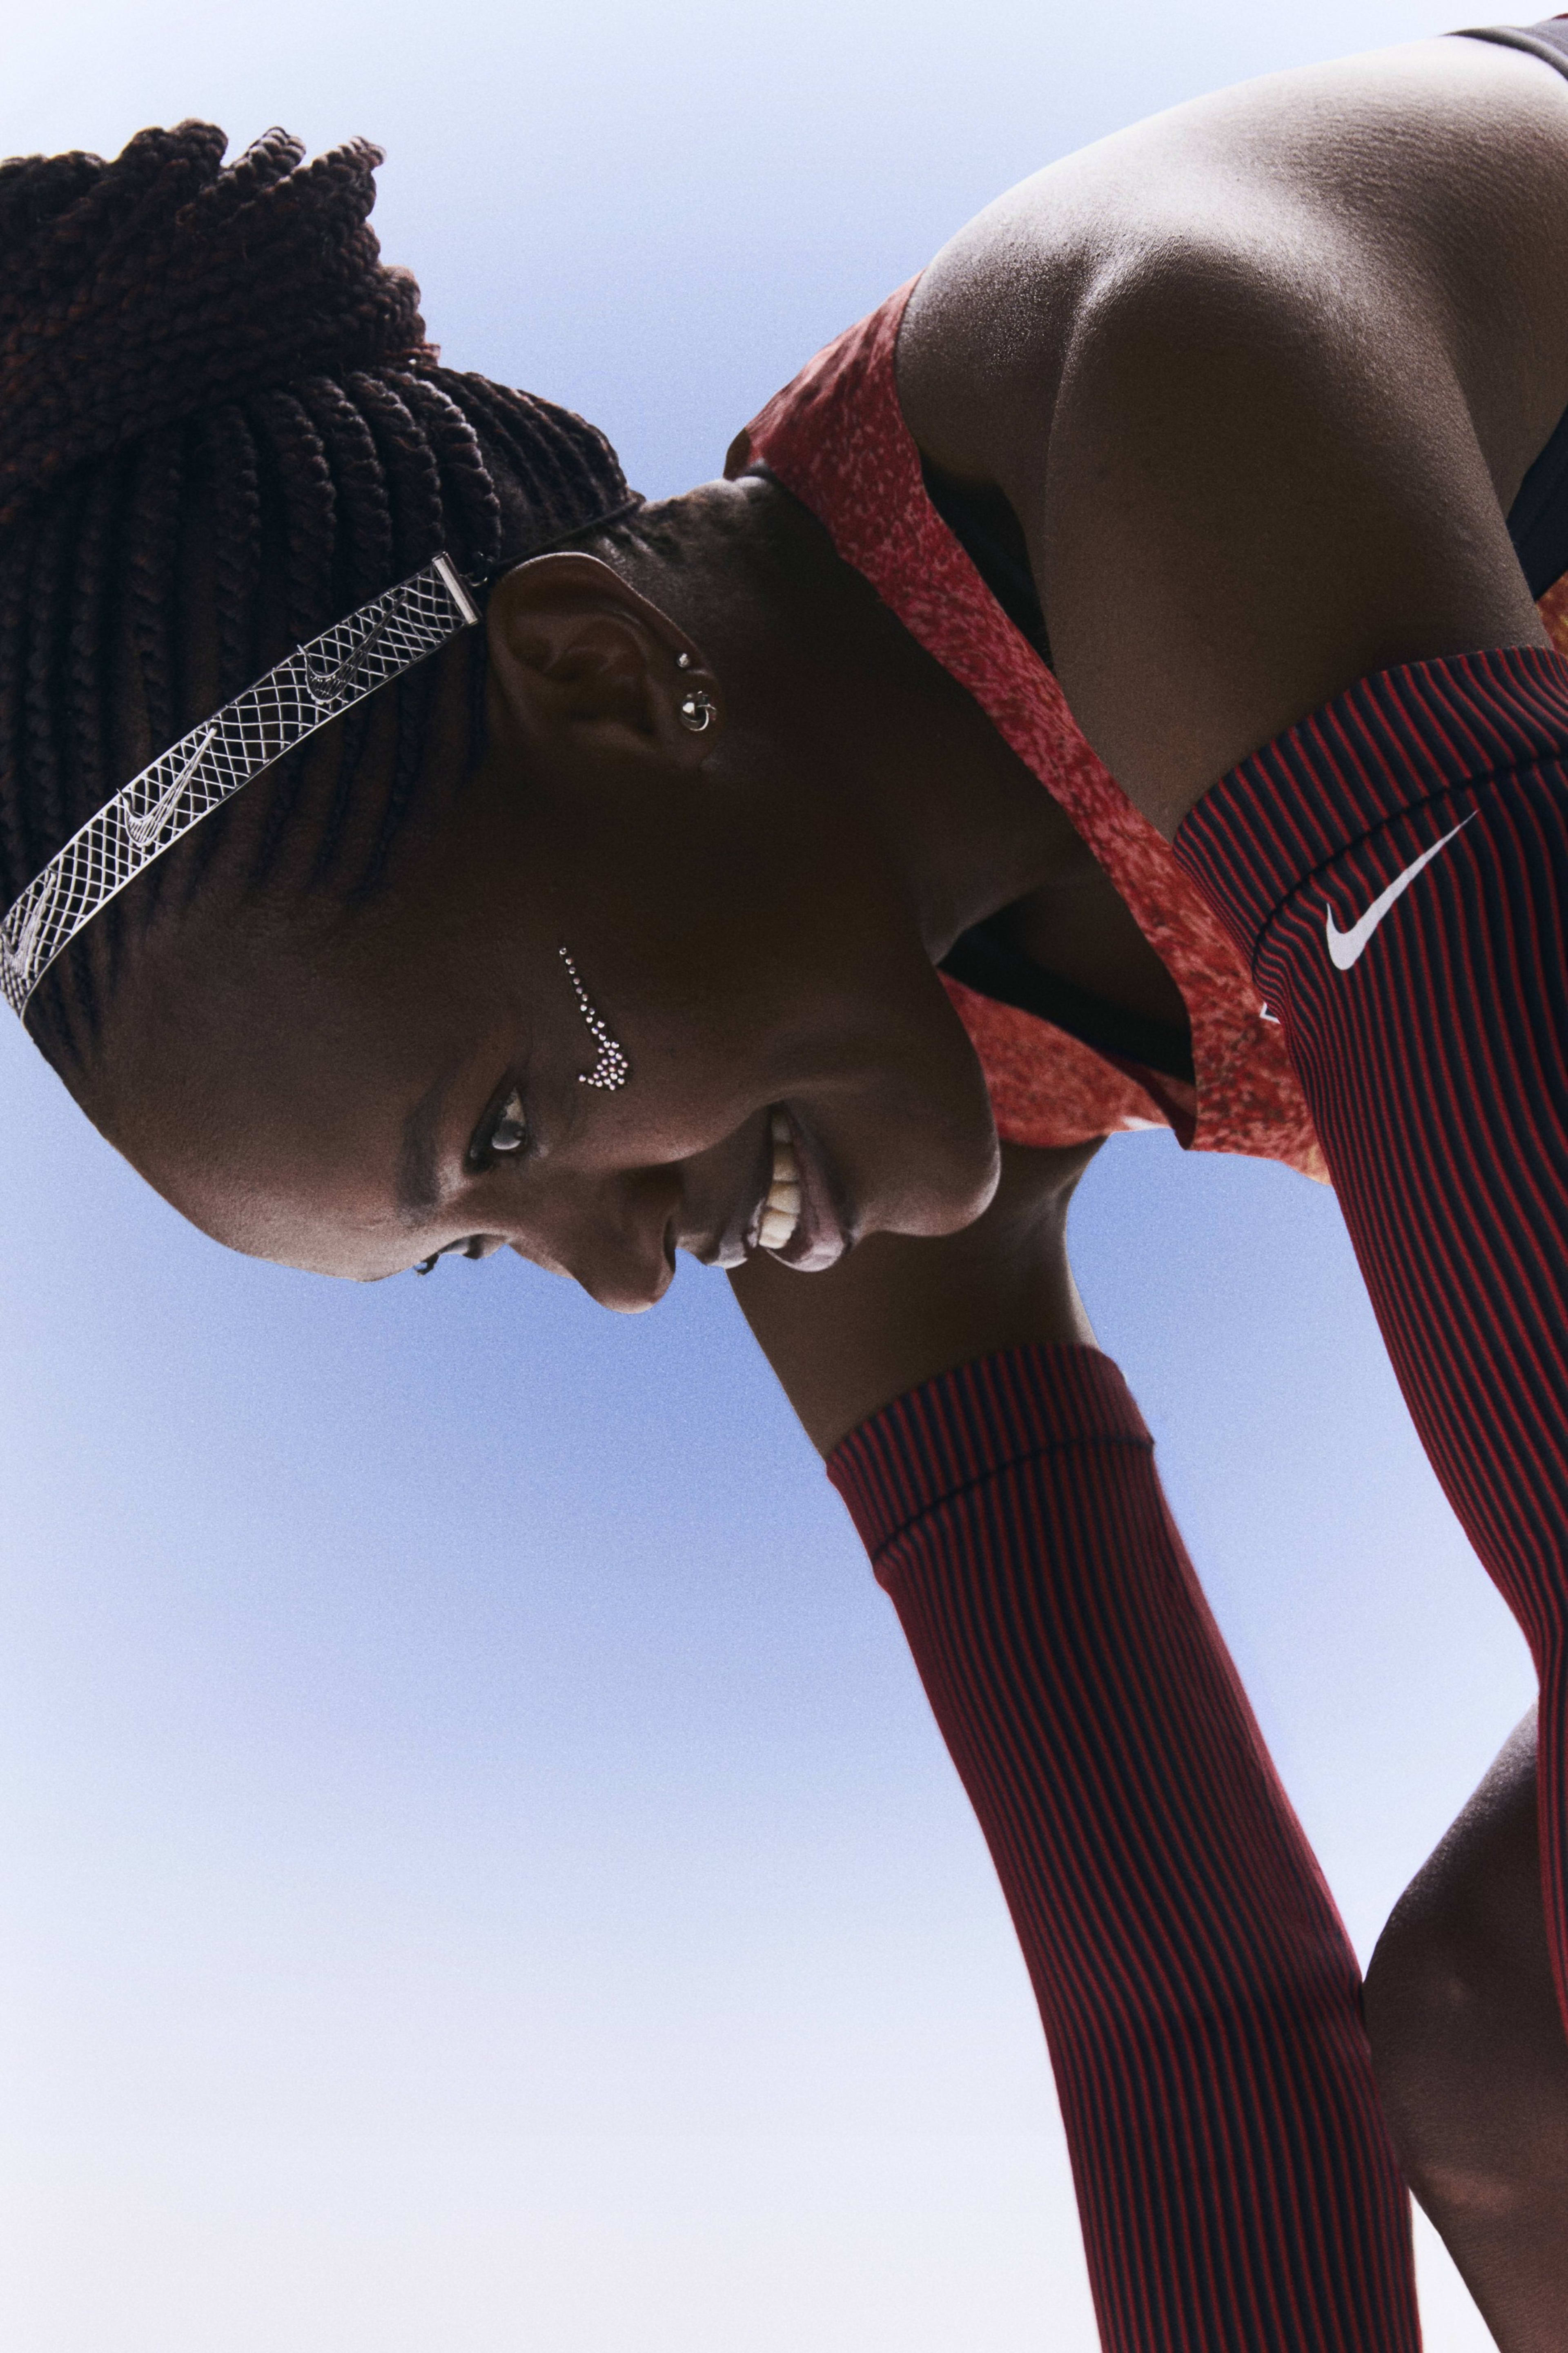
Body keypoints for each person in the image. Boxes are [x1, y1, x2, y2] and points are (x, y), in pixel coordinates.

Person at [7, 18, 1568, 2346]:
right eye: (479, 1248)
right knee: (1495, 2045)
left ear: (603, 679)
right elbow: (1194, 2038)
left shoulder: (1176, 384)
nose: (617, 1275)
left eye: (512, 1129)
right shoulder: (836, 1049)